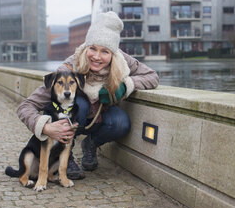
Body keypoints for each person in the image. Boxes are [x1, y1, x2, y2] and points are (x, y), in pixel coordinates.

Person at [17, 11, 159, 180]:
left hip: (101, 119)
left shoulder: (123, 62)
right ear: (86, 47)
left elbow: (152, 77)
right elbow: (25, 106)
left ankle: (91, 144)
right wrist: (46, 127)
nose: (97, 57)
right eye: (92, 48)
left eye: (104, 51)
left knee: (121, 122)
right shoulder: (69, 68)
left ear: (113, 53)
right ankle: (65, 154)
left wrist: (126, 85)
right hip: (74, 120)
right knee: (80, 105)